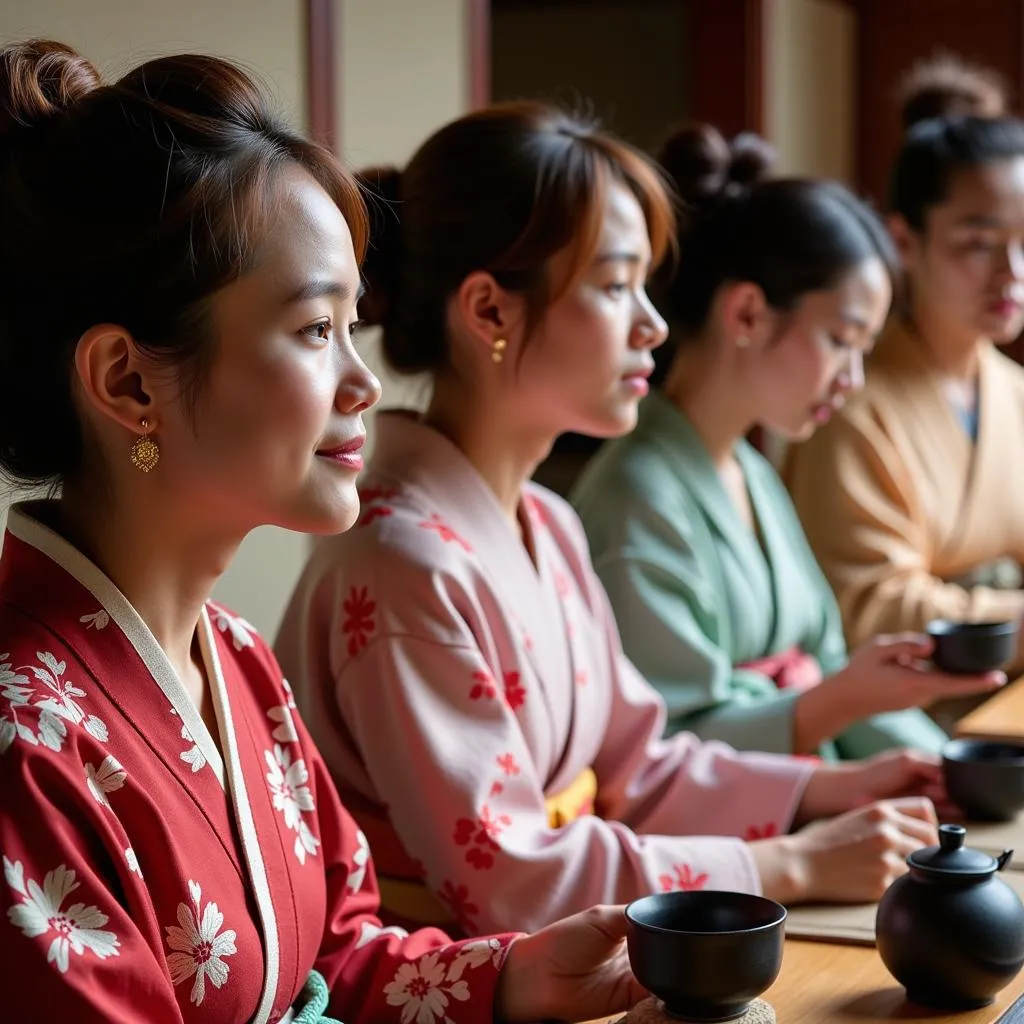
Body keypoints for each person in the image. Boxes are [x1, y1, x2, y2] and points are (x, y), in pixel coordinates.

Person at [0, 40, 655, 1024]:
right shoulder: (23, 745)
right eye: (314, 330)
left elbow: (336, 953)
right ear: (128, 383)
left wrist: (511, 976)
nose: (361, 383)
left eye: (355, 326)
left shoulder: (240, 662)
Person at [276, 102, 946, 941]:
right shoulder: (403, 563)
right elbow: (512, 875)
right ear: (490, 311)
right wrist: (794, 864)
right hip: (471, 971)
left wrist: (824, 792)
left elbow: (639, 771)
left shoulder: (547, 522)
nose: (653, 326)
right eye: (616, 284)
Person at [570, 122, 1003, 759]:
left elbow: (826, 664)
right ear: (745, 313)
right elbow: (668, 747)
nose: (852, 381)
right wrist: (839, 702)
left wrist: (939, 770)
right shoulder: (636, 498)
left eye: (863, 350)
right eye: (840, 341)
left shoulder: (751, 469)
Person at [785, 78, 1024, 690]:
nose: (1011, 274)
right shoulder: (847, 404)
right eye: (979, 243)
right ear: (902, 241)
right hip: (905, 724)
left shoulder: (1014, 389)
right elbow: (875, 610)